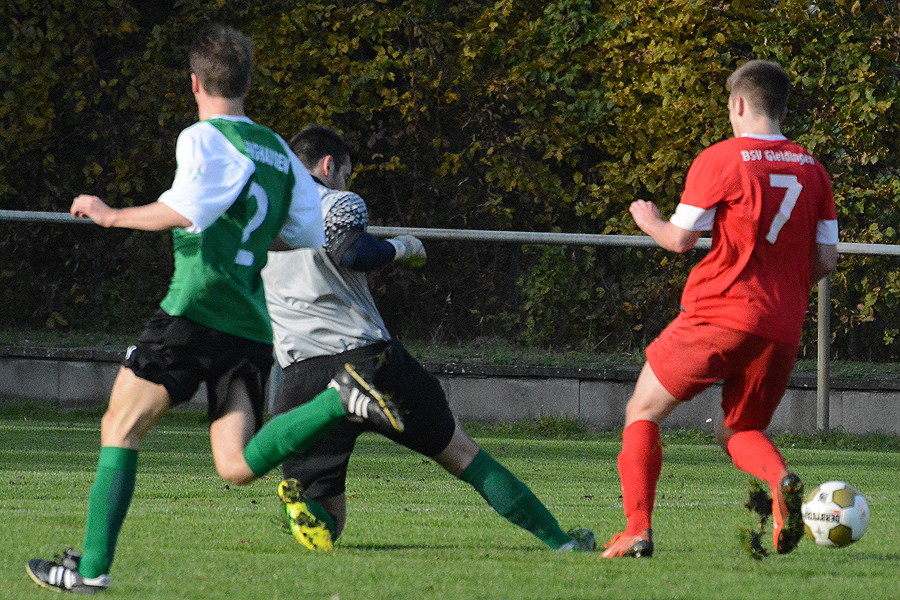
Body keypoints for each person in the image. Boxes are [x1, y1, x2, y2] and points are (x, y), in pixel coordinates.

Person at [26, 25, 403, 594]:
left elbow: (187, 210)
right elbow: (303, 235)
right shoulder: (279, 152)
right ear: (247, 83)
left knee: (119, 426)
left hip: (194, 310)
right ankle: (341, 399)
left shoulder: (204, 137)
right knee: (235, 464)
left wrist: (109, 214)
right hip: (250, 324)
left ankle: (92, 569)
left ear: (195, 83)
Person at [261, 124, 595, 553]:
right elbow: (352, 251)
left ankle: (303, 509)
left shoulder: (262, 219)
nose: (344, 183)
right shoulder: (335, 201)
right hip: (367, 363)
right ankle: (562, 543)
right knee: (465, 457)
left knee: (328, 521)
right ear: (329, 166)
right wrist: (403, 247)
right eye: (345, 173)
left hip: (301, 375)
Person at [601, 59, 838, 558]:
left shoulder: (723, 158)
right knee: (740, 428)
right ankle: (781, 480)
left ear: (739, 103)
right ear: (782, 108)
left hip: (720, 313)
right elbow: (826, 260)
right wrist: (782, 286)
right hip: (781, 324)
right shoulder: (814, 170)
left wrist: (649, 220)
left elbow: (680, 239)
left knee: (642, 410)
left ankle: (637, 530)